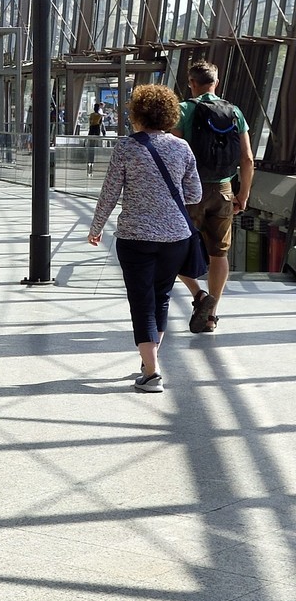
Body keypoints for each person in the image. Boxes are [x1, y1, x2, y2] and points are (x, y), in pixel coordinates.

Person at [88, 83, 202, 393]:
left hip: (136, 237)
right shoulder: (182, 147)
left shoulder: (126, 147)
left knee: (141, 302)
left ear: (137, 114)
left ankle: (151, 373)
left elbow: (110, 193)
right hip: (176, 237)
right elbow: (194, 193)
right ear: (168, 114)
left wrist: (96, 227)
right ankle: (149, 360)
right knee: (160, 298)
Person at [175, 58, 254, 335]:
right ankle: (212, 315)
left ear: (191, 83)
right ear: (216, 83)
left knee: (175, 249)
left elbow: (174, 155)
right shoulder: (234, 111)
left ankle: (199, 296)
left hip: (191, 190)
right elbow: (246, 158)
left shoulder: (184, 109)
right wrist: (242, 193)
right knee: (219, 253)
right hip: (223, 189)